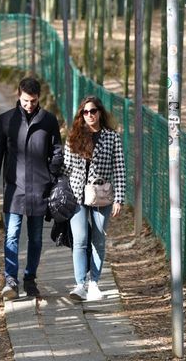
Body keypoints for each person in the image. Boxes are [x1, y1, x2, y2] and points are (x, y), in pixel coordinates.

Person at [0, 76, 63, 300]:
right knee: (11, 235)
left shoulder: (48, 120)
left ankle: (30, 278)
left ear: (39, 98)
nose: (29, 105)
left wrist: (51, 174)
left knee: (36, 238)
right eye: (26, 101)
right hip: (14, 188)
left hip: (40, 188)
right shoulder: (6, 120)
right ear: (18, 96)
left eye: (33, 101)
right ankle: (10, 280)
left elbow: (57, 150)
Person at [62, 95, 125, 302]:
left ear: (100, 113)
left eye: (93, 111)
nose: (90, 115)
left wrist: (119, 198)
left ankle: (94, 283)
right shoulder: (74, 136)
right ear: (81, 115)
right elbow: (66, 166)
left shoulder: (112, 137)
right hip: (77, 194)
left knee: (98, 239)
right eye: (85, 112)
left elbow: (120, 168)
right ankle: (80, 284)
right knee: (80, 240)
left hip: (102, 194)